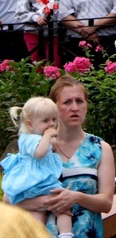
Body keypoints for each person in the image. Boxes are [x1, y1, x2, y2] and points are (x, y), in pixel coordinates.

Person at [13, 75, 115, 237]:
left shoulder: (99, 148)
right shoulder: (37, 146)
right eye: (67, 102)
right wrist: (43, 203)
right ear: (54, 107)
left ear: (86, 106)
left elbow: (107, 203)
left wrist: (76, 197)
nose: (74, 107)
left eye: (79, 101)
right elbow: (8, 201)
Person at [1, 97, 72, 238]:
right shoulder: (27, 139)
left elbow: (48, 151)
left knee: (39, 217)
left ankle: (63, 233)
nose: (51, 124)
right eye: (46, 121)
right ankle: (66, 234)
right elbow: (39, 153)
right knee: (62, 202)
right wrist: (48, 137)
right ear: (30, 124)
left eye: (54, 119)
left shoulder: (41, 137)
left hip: (39, 182)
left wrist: (52, 142)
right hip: (34, 182)